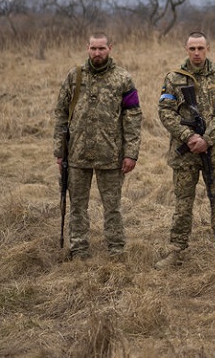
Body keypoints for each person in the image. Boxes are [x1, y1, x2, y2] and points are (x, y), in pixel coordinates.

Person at [53, 32, 142, 260]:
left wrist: (131, 153)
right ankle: (79, 249)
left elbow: (132, 118)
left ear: (110, 48)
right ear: (87, 48)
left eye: (101, 48)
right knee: (77, 206)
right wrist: (59, 151)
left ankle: (116, 250)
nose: (97, 53)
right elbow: (61, 113)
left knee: (112, 207)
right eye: (93, 48)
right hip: (77, 154)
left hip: (110, 155)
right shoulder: (74, 76)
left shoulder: (123, 78)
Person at [155, 32, 215, 270]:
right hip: (186, 152)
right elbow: (165, 112)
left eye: (200, 48)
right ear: (186, 49)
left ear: (208, 48)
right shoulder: (173, 78)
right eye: (192, 48)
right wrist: (188, 136)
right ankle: (176, 250)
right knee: (183, 203)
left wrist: (207, 138)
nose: (196, 53)